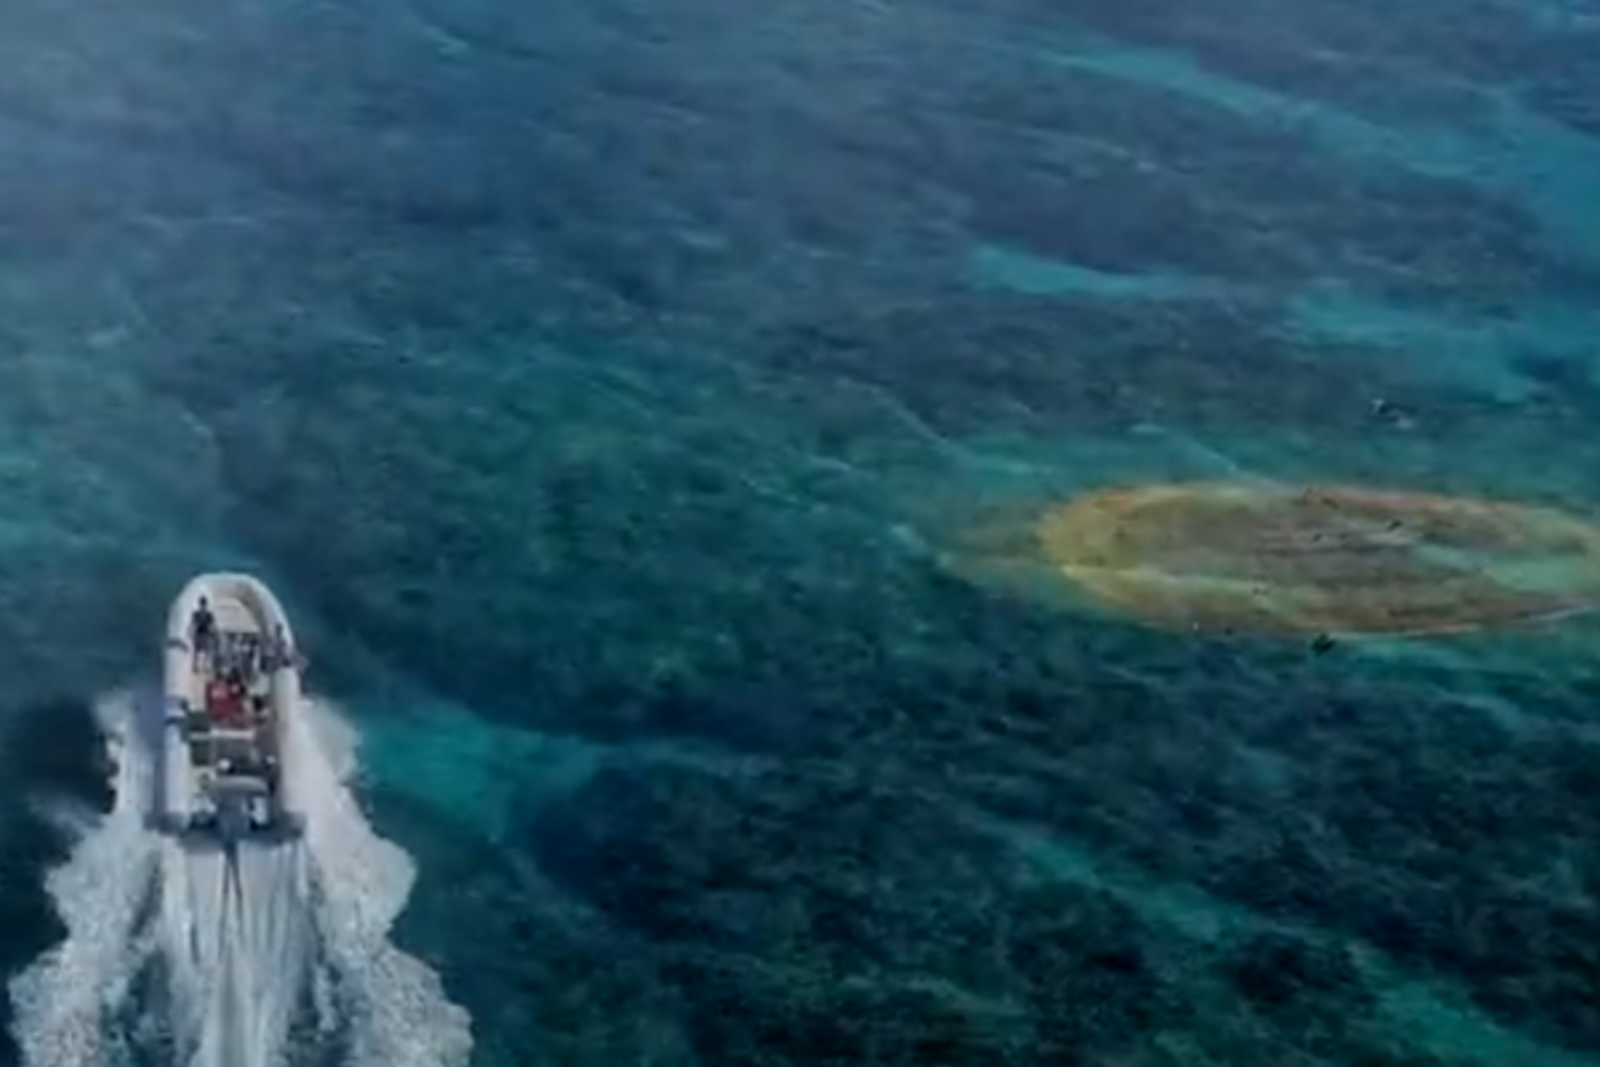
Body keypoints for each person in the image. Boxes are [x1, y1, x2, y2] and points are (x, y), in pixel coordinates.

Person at [189, 597, 217, 669]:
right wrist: (190, 632)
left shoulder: (208, 615)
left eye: (203, 604)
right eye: (202, 604)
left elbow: (212, 625)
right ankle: (195, 666)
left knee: (205, 651)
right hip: (199, 633)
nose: (203, 606)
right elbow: (192, 624)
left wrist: (213, 632)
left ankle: (202, 666)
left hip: (204, 634)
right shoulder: (197, 614)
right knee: (197, 651)